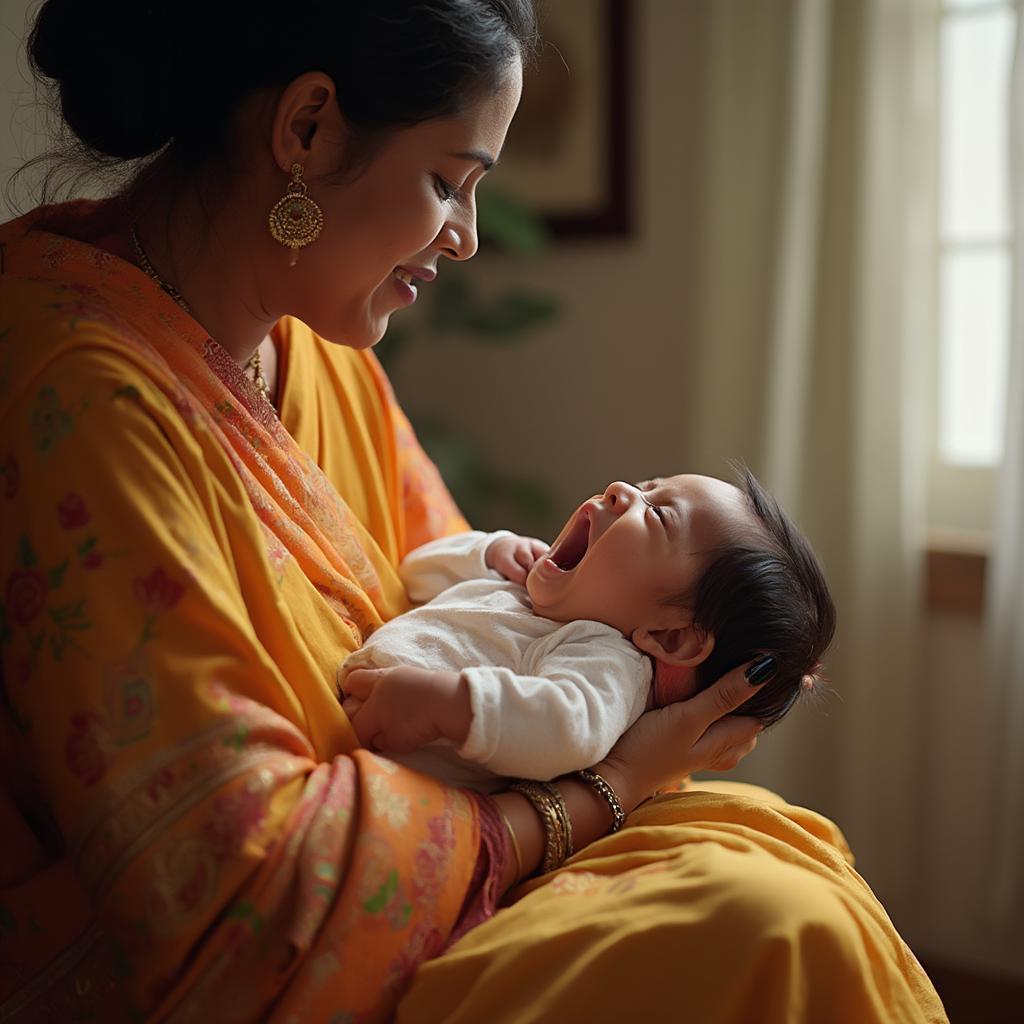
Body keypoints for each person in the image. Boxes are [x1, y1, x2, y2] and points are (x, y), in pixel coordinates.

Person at [0, 1, 947, 1021]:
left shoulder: (312, 354)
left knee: (785, 871)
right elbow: (237, 896)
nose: (466, 239)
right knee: (769, 926)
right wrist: (609, 789)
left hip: (432, 847)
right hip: (267, 954)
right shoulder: (80, 387)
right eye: (448, 182)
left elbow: (512, 622)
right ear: (307, 128)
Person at [341, 470, 835, 793]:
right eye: (650, 484)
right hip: (358, 722)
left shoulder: (606, 658)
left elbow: (567, 728)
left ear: (670, 637)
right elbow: (413, 575)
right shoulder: (526, 591)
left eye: (658, 515)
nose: (622, 489)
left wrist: (443, 704)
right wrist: (488, 552)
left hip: (404, 781)